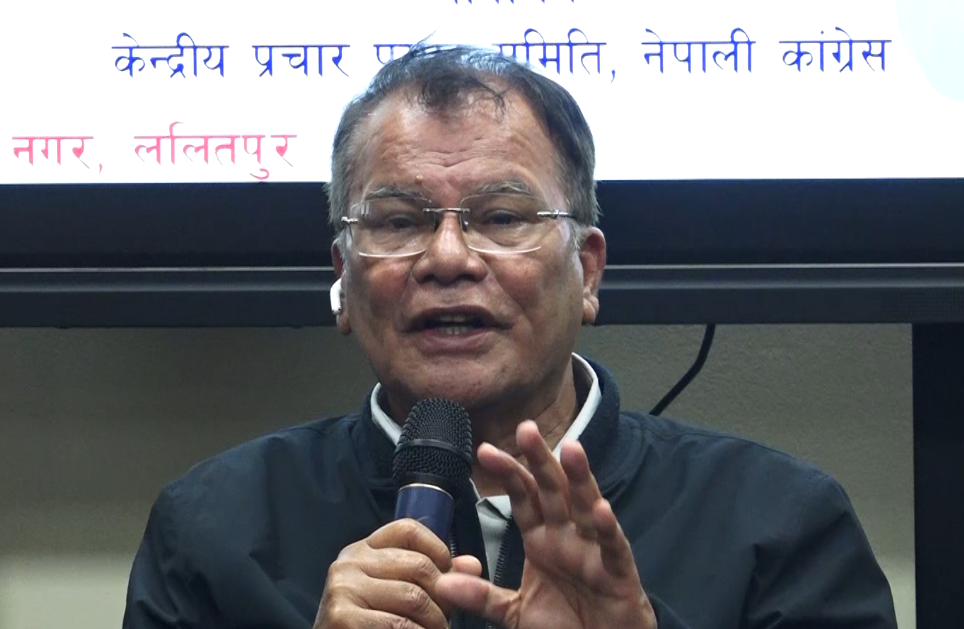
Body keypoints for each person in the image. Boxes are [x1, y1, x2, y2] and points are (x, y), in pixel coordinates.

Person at [124, 45, 898, 629]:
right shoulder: (213, 531)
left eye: (500, 217)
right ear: (344, 279)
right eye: (398, 221)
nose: (448, 258)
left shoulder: (780, 525)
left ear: (586, 271)